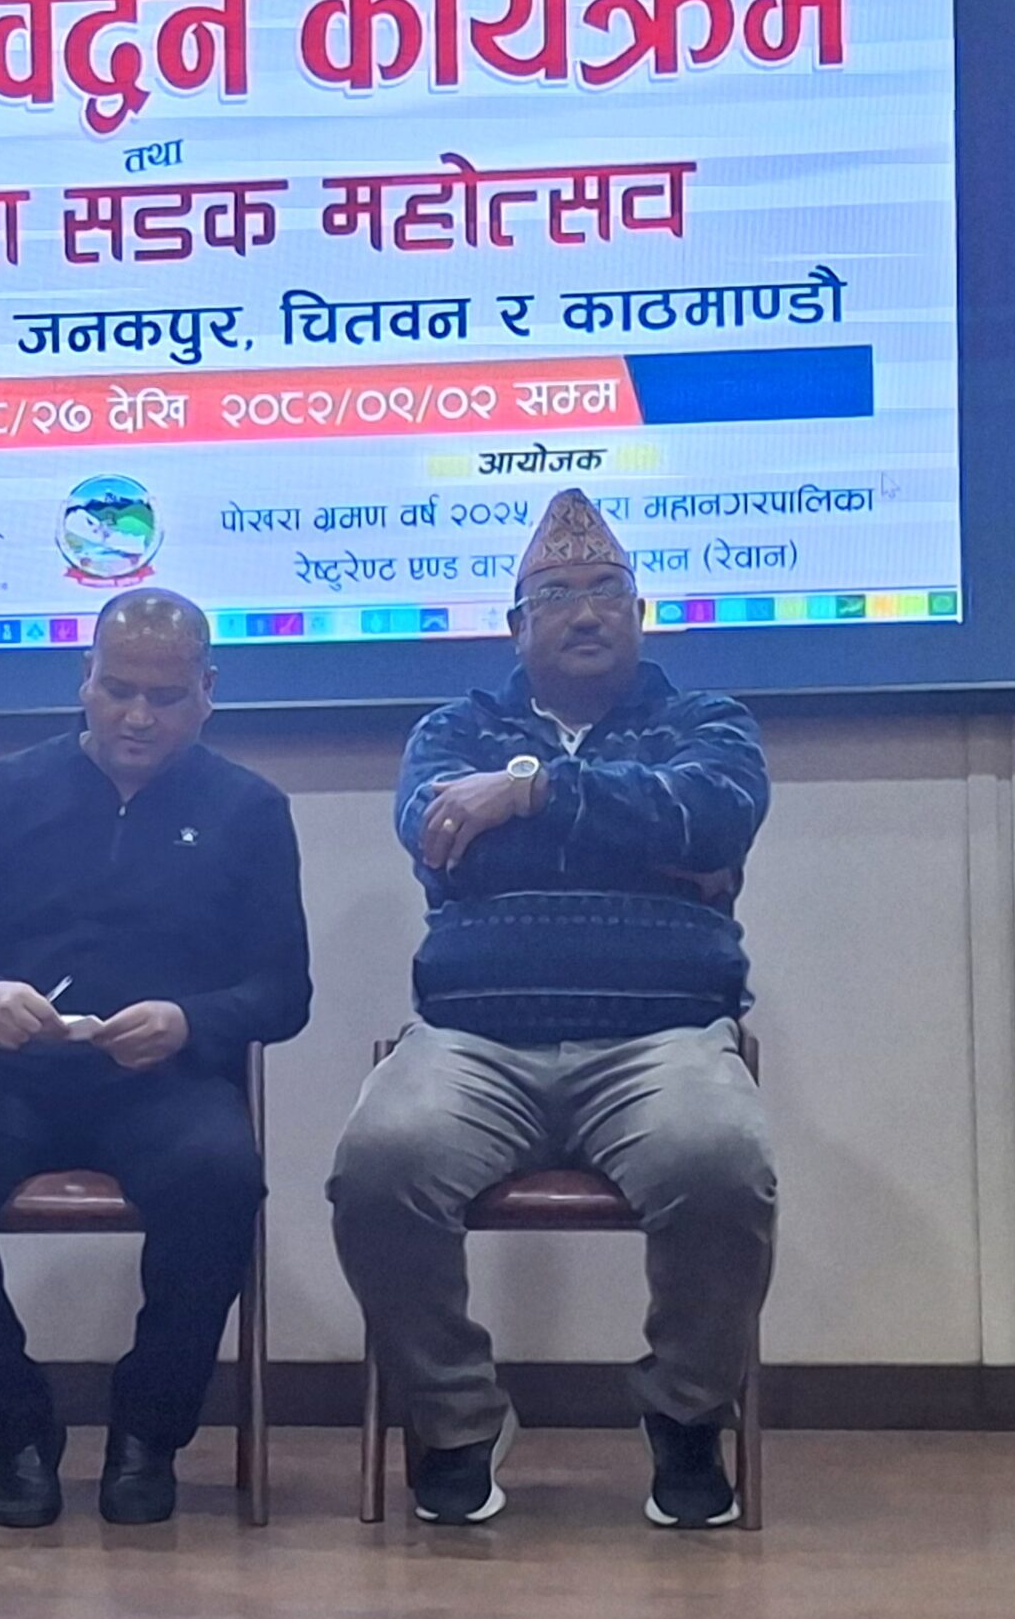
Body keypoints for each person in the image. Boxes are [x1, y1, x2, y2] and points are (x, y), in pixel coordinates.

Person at [328, 489, 776, 1530]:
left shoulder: (706, 722)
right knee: (379, 1165)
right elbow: (441, 838)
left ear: (640, 612)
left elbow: (713, 817)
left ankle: (685, 1414)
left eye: (606, 590)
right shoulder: (454, 730)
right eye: (558, 594)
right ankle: (455, 1419)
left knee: (721, 1163)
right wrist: (646, 843)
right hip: (472, 1041)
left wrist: (527, 794)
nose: (585, 611)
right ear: (515, 624)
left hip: (665, 1038)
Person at [0, 589, 312, 1528]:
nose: (137, 716)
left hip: (160, 1080)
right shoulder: (0, 793)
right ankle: (16, 1431)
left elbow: (285, 991)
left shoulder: (249, 809)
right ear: (85, 681)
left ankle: (148, 1431)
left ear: (208, 692)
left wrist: (190, 1021)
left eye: (165, 696)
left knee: (221, 1178)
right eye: (118, 691)